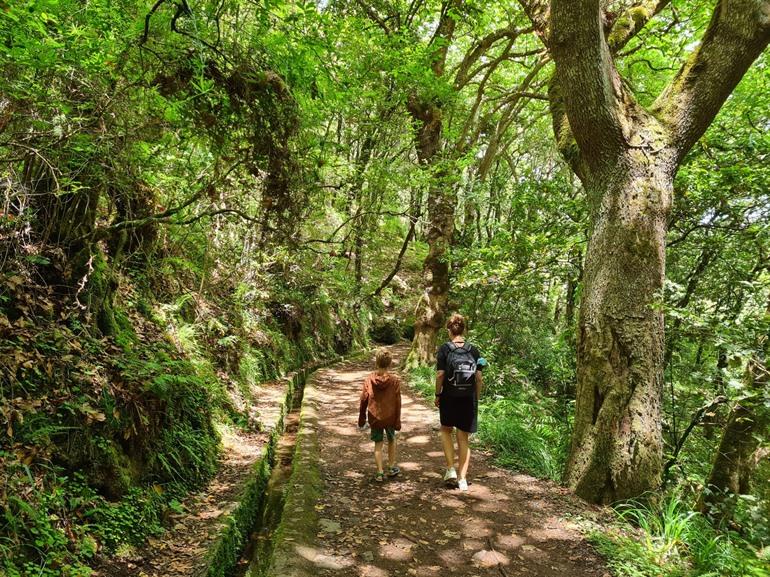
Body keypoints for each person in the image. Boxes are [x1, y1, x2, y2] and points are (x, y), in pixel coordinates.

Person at [435, 313, 483, 491]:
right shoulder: (474, 350)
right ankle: (463, 480)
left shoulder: (445, 349)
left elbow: (440, 374)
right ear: (464, 329)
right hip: (467, 398)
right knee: (463, 438)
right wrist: (476, 398)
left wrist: (437, 394)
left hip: (449, 396)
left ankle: (450, 469)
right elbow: (479, 378)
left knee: (446, 430)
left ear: (449, 330)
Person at [358, 348, 402, 482]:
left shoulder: (369, 379)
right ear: (390, 364)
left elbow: (363, 399)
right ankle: (391, 466)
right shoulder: (394, 381)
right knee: (391, 439)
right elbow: (398, 402)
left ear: (376, 362)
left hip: (375, 417)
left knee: (378, 443)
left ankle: (379, 472)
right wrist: (397, 420)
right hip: (390, 417)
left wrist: (362, 418)